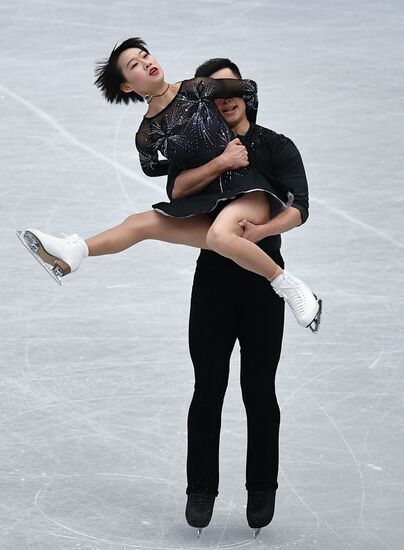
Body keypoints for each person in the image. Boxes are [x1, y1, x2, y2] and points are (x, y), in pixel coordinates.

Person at [18, 37, 322, 332]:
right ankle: (77, 249)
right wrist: (194, 165)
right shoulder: (148, 133)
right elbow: (152, 168)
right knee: (141, 222)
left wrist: (237, 139)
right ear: (128, 86)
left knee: (218, 235)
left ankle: (289, 286)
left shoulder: (196, 89)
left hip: (245, 189)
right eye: (134, 64)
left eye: (145, 55)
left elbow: (248, 88)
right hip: (209, 203)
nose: (146, 63)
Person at [173, 58, 310, 537]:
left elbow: (299, 208)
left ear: (246, 94)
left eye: (232, 89)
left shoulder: (275, 146)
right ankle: (200, 488)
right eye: (214, 93)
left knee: (259, 389)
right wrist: (216, 162)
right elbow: (174, 188)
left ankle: (261, 487)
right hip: (212, 282)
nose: (225, 99)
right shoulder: (199, 150)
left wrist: (261, 231)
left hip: (262, 285)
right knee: (207, 388)